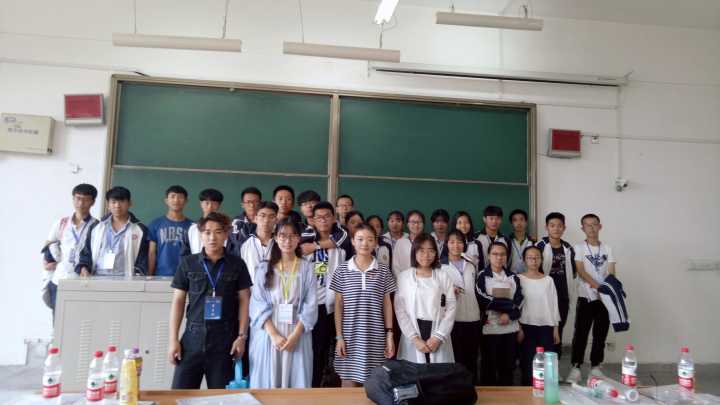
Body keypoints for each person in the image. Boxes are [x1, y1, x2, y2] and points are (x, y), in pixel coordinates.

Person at [168, 212, 252, 389]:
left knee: (221, 397)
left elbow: (245, 301)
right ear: (201, 235)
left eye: (218, 232)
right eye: (207, 232)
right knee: (180, 394)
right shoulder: (188, 263)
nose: (212, 237)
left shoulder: (237, 264)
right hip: (192, 339)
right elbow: (178, 301)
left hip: (225, 340)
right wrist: (173, 339)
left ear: (226, 234)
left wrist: (241, 337)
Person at [249, 219, 317, 388]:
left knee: (296, 382)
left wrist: (295, 335)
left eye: (292, 236)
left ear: (299, 238)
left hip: (297, 333)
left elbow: (311, 304)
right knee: (267, 382)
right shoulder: (264, 267)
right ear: (275, 238)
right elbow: (257, 303)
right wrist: (273, 334)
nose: (287, 240)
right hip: (269, 334)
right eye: (283, 236)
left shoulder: (307, 268)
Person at [332, 224, 396, 386]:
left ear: (376, 242)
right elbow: (338, 306)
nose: (365, 244)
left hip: (375, 337)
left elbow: (387, 305)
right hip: (349, 337)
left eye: (370, 239)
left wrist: (389, 335)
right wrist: (339, 337)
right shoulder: (342, 270)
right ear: (353, 241)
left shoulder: (383, 271)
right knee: (348, 384)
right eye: (360, 239)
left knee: (375, 386)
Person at [303, 202, 352, 387]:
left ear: (333, 218)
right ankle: (315, 386)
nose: (323, 220)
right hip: (317, 305)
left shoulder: (342, 240)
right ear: (313, 220)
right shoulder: (304, 239)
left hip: (340, 305)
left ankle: (337, 387)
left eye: (327, 216)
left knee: (341, 348)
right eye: (319, 217)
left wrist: (316, 246)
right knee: (318, 349)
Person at [566, 214, 616, 384]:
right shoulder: (579, 247)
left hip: (605, 299)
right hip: (585, 297)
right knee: (581, 333)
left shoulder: (607, 248)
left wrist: (607, 290)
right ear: (583, 228)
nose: (591, 228)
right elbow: (581, 271)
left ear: (600, 226)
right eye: (587, 225)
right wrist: (598, 288)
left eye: (594, 224)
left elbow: (611, 272)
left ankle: (596, 366)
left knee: (600, 334)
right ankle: (576, 367)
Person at [395, 233, 456, 364]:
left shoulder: (443, 276)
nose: (426, 255)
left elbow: (451, 308)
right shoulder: (404, 277)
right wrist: (414, 338)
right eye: (421, 251)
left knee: (438, 373)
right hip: (413, 332)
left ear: (436, 253)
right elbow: (400, 310)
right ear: (414, 252)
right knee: (414, 372)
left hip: (437, 331)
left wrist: (438, 337)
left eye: (431, 251)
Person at [41, 183, 99, 318]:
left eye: (86, 199)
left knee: (80, 321)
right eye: (78, 198)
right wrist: (47, 262)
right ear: (73, 199)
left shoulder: (97, 226)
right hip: (60, 280)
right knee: (59, 322)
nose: (81, 203)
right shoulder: (62, 223)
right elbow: (49, 243)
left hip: (84, 282)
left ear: (93, 202)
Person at [475, 242, 523, 386]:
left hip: (510, 328)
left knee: (508, 367)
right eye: (495, 254)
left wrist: (509, 315)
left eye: (502, 254)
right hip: (490, 329)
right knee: (488, 367)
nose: (499, 257)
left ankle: (507, 395)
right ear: (489, 256)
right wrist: (508, 306)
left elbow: (519, 300)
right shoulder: (482, 276)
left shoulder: (513, 277)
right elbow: (483, 299)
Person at [75, 186, 149, 277]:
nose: (117, 206)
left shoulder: (140, 229)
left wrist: (138, 276)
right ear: (108, 205)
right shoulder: (96, 227)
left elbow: (143, 258)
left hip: (126, 279)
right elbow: (86, 253)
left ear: (130, 203)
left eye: (122, 201)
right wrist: (84, 268)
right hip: (97, 278)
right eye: (113, 202)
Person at [535, 212, 576, 357]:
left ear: (564, 228)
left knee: (559, 329)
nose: (556, 229)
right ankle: (540, 361)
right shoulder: (540, 245)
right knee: (544, 329)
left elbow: (573, 272)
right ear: (546, 227)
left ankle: (554, 362)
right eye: (552, 225)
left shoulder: (568, 248)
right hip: (544, 296)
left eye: (559, 226)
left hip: (562, 295)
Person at [517, 245, 560, 386]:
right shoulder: (518, 279)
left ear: (541, 260)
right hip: (526, 326)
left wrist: (556, 329)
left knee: (547, 364)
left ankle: (546, 391)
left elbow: (554, 305)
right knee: (527, 362)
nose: (534, 260)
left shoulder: (548, 280)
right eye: (530, 258)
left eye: (537, 257)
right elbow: (515, 306)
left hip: (546, 327)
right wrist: (519, 327)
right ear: (524, 260)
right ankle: (526, 392)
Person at [442, 230, 481, 383]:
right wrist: (449, 292)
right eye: (452, 242)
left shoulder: (471, 265)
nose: (456, 245)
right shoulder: (440, 266)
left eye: (459, 242)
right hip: (453, 319)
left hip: (473, 317)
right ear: (446, 244)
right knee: (455, 359)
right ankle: (456, 390)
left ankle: (472, 388)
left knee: (471, 359)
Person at [147, 185, 193, 276]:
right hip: (161, 275)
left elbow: (195, 253)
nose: (176, 200)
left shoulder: (192, 227)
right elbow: (152, 253)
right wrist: (149, 275)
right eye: (172, 196)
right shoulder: (155, 224)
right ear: (166, 201)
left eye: (180, 197)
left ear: (186, 201)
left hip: (185, 276)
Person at [239, 202, 279, 284]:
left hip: (276, 289)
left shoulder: (281, 244)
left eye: (271, 217)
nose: (266, 220)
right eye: (262, 216)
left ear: (276, 220)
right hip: (251, 290)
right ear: (256, 218)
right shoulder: (244, 243)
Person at [182, 188, 224, 256]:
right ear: (201, 204)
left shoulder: (225, 228)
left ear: (219, 205)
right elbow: (185, 253)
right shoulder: (192, 229)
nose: (210, 207)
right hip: (196, 262)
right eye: (207, 203)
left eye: (214, 204)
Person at [392, 210, 425, 276]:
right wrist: (403, 279)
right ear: (407, 224)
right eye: (413, 222)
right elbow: (395, 266)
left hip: (425, 279)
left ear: (423, 224)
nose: (416, 225)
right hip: (404, 280)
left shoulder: (429, 242)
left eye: (419, 222)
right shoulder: (400, 243)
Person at [508, 209, 534, 274]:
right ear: (512, 223)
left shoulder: (533, 241)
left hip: (529, 275)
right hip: (511, 276)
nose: (518, 223)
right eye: (515, 220)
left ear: (526, 222)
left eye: (521, 219)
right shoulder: (506, 240)